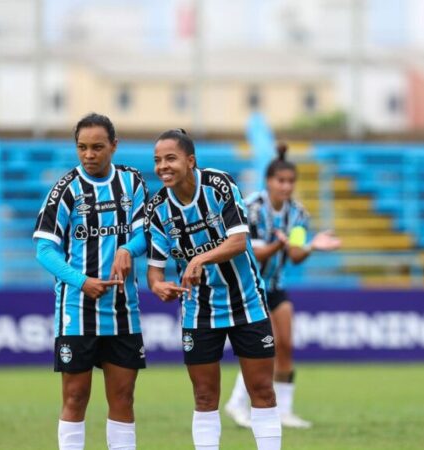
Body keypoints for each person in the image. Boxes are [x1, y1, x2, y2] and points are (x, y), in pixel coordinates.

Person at [145, 129, 282, 450]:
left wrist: (198, 259)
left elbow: (238, 241)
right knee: (205, 396)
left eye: (170, 158)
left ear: (190, 161)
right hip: (198, 310)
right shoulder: (157, 209)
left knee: (261, 389)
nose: (163, 166)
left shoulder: (218, 185)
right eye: (157, 160)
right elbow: (155, 271)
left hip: (247, 301)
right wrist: (158, 286)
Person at [33, 113, 149, 450]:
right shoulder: (66, 190)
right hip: (77, 310)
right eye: (82, 147)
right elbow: (44, 249)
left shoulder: (132, 182)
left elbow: (145, 233)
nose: (89, 155)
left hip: (123, 311)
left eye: (97, 147)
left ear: (114, 146)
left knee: (123, 397)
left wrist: (128, 247)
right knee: (75, 395)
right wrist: (82, 281)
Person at [224, 142, 342, 429]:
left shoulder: (298, 215)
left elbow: (296, 254)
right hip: (249, 287)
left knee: (285, 345)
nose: (286, 186)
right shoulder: (250, 209)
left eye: (291, 181)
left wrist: (312, 245)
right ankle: (237, 403)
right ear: (268, 182)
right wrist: (280, 242)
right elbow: (249, 250)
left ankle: (285, 410)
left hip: (275, 286)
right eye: (281, 181)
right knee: (263, 347)